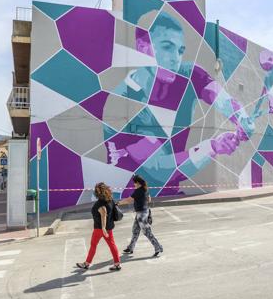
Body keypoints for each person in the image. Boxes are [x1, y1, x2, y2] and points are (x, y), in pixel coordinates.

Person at [105, 11, 258, 196]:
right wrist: (213, 147)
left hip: (172, 195)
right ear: (142, 47)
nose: (175, 58)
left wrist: (241, 118)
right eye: (167, 47)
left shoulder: (188, 74)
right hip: (131, 202)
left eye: (180, 50)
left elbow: (221, 98)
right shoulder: (121, 101)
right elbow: (160, 170)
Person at [76, 182, 121, 271]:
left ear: (98, 192)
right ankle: (117, 264)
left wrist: (103, 228)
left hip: (100, 229)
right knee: (112, 245)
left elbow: (103, 214)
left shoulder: (100, 203)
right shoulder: (110, 199)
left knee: (93, 245)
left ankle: (87, 263)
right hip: (109, 227)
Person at [118, 175, 163, 257]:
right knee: (135, 230)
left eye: (134, 183)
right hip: (143, 212)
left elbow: (129, 200)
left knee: (147, 232)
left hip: (142, 214)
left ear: (138, 183)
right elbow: (149, 199)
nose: (133, 184)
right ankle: (130, 247)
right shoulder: (145, 189)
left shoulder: (138, 191)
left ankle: (158, 247)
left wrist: (118, 203)